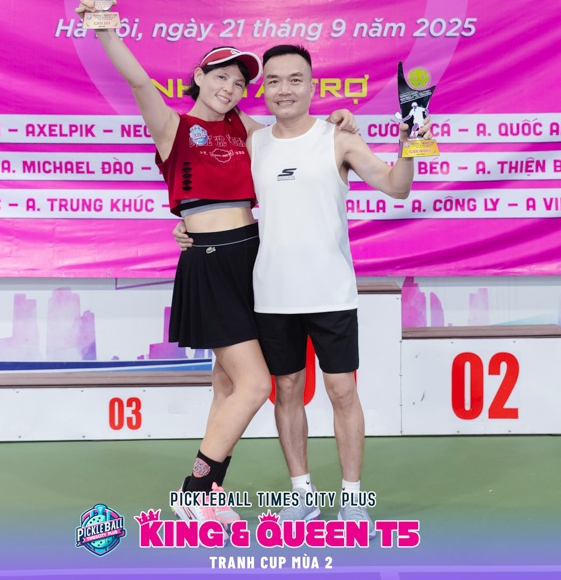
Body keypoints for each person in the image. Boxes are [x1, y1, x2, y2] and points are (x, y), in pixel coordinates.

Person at [76, 0, 356, 524]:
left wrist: (338, 121)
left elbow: (298, 138)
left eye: (239, 82)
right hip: (208, 264)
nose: (230, 87)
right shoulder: (172, 127)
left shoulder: (244, 130)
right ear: (198, 78)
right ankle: (194, 491)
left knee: (227, 385)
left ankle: (209, 493)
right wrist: (105, 28)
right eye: (220, 76)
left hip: (253, 260)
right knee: (255, 385)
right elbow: (139, 82)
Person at [179, 44, 426, 522]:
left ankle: (352, 498)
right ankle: (302, 493)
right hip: (271, 294)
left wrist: (411, 141)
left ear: (312, 87)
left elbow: (397, 187)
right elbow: (212, 186)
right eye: (273, 81)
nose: (284, 89)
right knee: (287, 390)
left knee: (342, 392)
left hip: (331, 291)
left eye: (295, 79)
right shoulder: (253, 141)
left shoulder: (338, 139)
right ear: (264, 90)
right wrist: (188, 226)